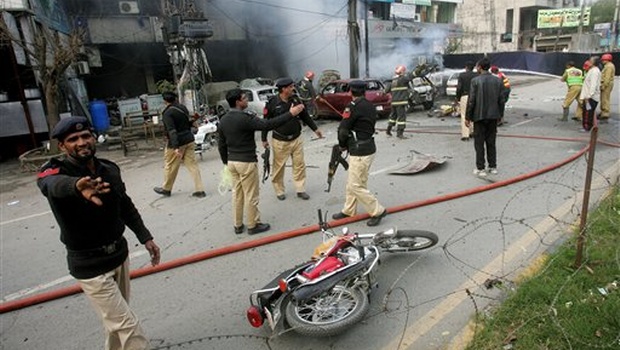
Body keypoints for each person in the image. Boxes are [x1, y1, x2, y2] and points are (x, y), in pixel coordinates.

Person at [37, 116, 161, 350]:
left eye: (86, 136)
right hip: (90, 265)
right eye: (73, 139)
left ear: (94, 138)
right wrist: (75, 186)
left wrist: (146, 237)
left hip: (118, 256)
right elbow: (51, 185)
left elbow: (125, 205)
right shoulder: (53, 170)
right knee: (128, 326)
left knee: (116, 325)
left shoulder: (109, 169)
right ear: (62, 146)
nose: (82, 142)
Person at [218, 88, 304, 235]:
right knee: (251, 194)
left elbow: (221, 144)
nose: (247, 100)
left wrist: (226, 162)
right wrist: (291, 114)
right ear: (238, 101)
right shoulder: (245, 118)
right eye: (244, 98)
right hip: (246, 162)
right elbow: (268, 125)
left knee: (237, 194)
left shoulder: (224, 120)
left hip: (232, 162)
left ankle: (238, 225)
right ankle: (253, 225)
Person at [331, 80, 387, 227]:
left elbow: (343, 130)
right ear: (364, 91)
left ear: (350, 92)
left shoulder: (352, 107)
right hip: (368, 147)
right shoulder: (370, 105)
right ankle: (349, 210)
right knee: (354, 182)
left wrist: (342, 145)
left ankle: (377, 210)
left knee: (356, 185)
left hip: (359, 151)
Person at [261, 77, 323, 201]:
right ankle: (279, 190)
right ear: (283, 89)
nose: (293, 88)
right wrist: (264, 139)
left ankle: (300, 189)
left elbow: (305, 116)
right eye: (290, 87)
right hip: (280, 140)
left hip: (296, 139)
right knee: (279, 167)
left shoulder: (295, 99)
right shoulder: (272, 103)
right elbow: (266, 123)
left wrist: (316, 129)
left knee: (299, 165)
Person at [153, 91, 206, 198]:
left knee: (170, 165)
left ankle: (166, 189)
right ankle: (199, 190)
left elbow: (172, 131)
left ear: (165, 101)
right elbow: (187, 123)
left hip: (177, 142)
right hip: (189, 139)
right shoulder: (183, 108)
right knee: (192, 165)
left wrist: (176, 147)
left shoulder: (167, 113)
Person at [466, 57, 505, 177]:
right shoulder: (498, 81)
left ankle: (481, 168)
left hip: (479, 116)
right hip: (493, 116)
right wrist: (500, 115)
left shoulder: (475, 81)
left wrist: (468, 117)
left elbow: (471, 100)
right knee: (491, 142)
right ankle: (492, 166)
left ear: (479, 67)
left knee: (479, 143)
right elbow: (501, 100)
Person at [385, 64, 415, 139]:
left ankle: (388, 130)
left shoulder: (392, 81)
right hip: (401, 102)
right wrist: (419, 69)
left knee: (393, 117)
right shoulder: (403, 79)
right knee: (401, 118)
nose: (405, 73)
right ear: (402, 72)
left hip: (394, 102)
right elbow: (411, 76)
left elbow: (386, 91)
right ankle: (400, 133)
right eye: (404, 71)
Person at [455, 61, 477, 141]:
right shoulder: (477, 75)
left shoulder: (462, 75)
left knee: (464, 115)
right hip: (475, 97)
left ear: (466, 67)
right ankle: (473, 132)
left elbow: (459, 88)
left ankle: (465, 135)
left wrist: (457, 98)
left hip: (465, 96)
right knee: (473, 114)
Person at [579, 57, 601, 132]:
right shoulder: (592, 70)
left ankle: (587, 127)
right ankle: (586, 126)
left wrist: (589, 95)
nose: (588, 62)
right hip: (588, 96)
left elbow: (593, 85)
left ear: (594, 62)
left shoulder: (594, 71)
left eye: (590, 61)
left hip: (591, 97)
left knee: (588, 113)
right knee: (586, 111)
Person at [599, 53, 615, 123]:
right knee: (604, 98)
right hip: (607, 84)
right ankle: (603, 111)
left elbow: (607, 77)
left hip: (607, 84)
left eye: (603, 60)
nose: (602, 61)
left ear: (607, 60)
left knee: (605, 98)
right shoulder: (608, 65)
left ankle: (605, 113)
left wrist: (604, 85)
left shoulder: (609, 67)